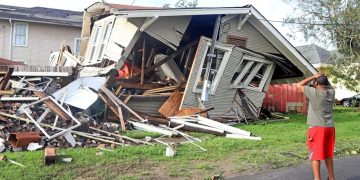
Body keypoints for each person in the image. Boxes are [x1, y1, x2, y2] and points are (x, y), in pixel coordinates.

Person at [296, 73, 336, 180]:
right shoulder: (331, 92)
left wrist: (313, 77)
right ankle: (332, 178)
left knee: (315, 155)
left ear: (316, 83)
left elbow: (298, 85)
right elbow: (328, 85)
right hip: (330, 128)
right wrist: (323, 79)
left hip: (317, 129)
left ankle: (317, 179)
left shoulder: (315, 93)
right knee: (328, 154)